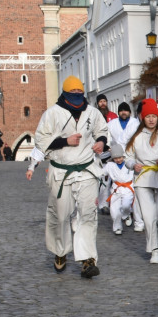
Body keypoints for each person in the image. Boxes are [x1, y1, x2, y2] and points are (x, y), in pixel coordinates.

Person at [32, 75, 108, 278]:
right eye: (72, 92)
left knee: (88, 213)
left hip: (87, 170)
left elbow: (102, 130)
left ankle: (88, 259)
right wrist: (65, 141)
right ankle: (60, 250)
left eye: (79, 92)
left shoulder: (92, 112)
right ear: (65, 93)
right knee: (61, 215)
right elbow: (41, 140)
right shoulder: (52, 113)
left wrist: (100, 142)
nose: (76, 95)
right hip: (61, 172)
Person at [126, 98, 158, 264]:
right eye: (148, 116)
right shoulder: (136, 136)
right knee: (148, 217)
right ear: (142, 117)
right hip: (143, 178)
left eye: (154, 115)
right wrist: (132, 164)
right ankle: (155, 250)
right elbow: (128, 157)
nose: (151, 119)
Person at [103, 143, 135, 235]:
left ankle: (126, 214)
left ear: (123, 156)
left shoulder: (129, 163)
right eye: (116, 158)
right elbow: (102, 172)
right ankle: (117, 227)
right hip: (116, 189)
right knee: (114, 210)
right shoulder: (109, 165)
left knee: (126, 205)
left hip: (128, 188)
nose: (118, 160)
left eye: (120, 157)